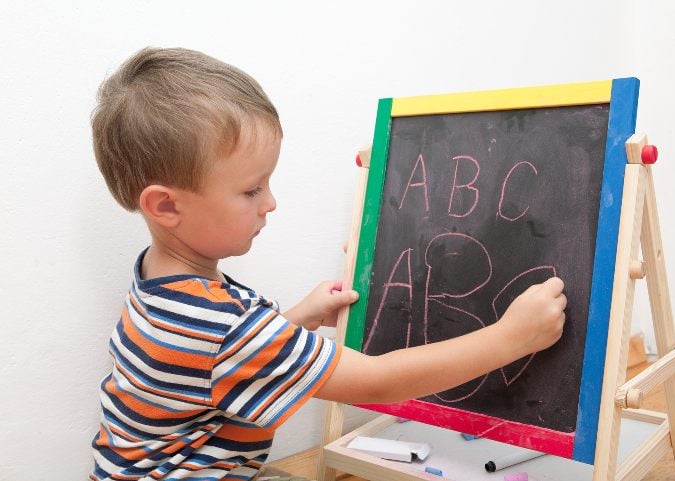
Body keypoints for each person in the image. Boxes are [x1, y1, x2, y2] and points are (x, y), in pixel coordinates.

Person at [89, 47, 567, 481]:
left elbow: (215, 365)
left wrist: (294, 320)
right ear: (167, 206)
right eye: (251, 189)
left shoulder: (161, 284)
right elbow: (378, 381)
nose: (270, 203)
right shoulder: (222, 330)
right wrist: (511, 338)